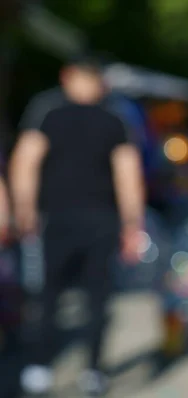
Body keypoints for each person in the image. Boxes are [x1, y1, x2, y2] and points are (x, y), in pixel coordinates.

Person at [11, 54, 145, 396]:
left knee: (96, 299)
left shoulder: (113, 115)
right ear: (68, 77)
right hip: (56, 218)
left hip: (101, 218)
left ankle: (92, 370)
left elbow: (127, 172)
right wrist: (24, 209)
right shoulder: (48, 109)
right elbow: (26, 161)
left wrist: (133, 224)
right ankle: (43, 363)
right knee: (49, 296)